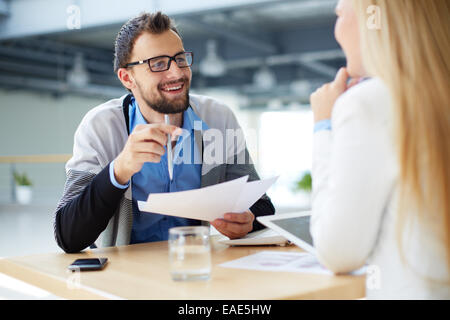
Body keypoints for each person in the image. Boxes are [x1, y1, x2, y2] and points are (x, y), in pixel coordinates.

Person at [54, 12, 275, 254]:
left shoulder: (218, 118)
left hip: (195, 264)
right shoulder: (101, 126)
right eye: (158, 64)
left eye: (180, 59)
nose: (177, 73)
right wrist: (119, 170)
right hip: (125, 275)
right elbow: (68, 236)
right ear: (127, 77)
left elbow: (262, 207)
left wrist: (247, 221)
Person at [309, 0, 449, 298]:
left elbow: (337, 251)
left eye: (340, 14)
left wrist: (324, 126)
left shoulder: (368, 103)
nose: (337, 30)